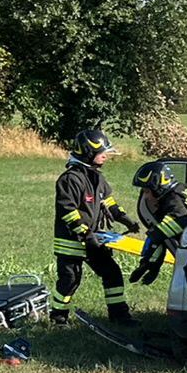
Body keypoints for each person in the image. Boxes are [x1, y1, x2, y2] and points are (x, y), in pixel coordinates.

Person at [51, 128, 138, 325]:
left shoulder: (97, 177)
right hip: (71, 242)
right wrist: (86, 234)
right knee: (70, 281)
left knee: (112, 273)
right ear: (88, 153)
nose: (106, 156)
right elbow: (68, 212)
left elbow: (109, 202)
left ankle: (119, 315)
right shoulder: (70, 179)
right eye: (102, 152)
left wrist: (125, 219)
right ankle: (58, 317)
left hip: (94, 239)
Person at [128, 163, 187, 286]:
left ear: (157, 188)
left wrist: (147, 263)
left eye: (146, 191)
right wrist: (153, 263)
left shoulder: (172, 203)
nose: (145, 197)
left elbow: (160, 234)